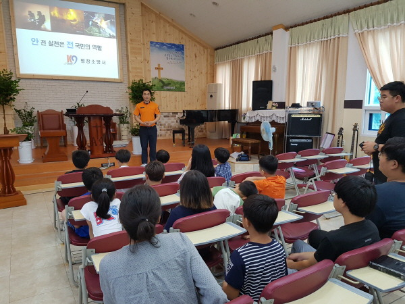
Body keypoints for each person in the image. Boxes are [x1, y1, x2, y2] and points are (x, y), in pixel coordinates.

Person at [99, 185, 228, 304]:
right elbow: (217, 296)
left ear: (121, 220)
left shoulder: (107, 265)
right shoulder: (180, 241)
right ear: (159, 217)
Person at [287, 176, 380, 272]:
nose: (333, 196)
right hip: (348, 275)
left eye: (335, 194)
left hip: (324, 277)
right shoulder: (372, 228)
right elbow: (321, 255)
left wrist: (291, 264)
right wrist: (303, 255)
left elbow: (309, 264)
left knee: (294, 250)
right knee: (299, 244)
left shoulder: (333, 239)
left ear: (343, 202)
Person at [222, 194, 287, 301]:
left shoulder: (240, 256)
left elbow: (231, 294)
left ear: (246, 222)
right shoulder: (279, 247)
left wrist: (225, 284)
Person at [360, 81, 405, 184]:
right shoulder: (393, 116)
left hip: (392, 177)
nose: (380, 100)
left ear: (397, 98)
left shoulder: (401, 119)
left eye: (384, 97)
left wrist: (376, 147)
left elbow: (401, 147)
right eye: (380, 97)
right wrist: (373, 148)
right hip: (383, 173)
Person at [366, 137, 405, 238]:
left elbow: (362, 232)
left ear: (394, 164)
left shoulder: (377, 193)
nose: (379, 158)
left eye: (381, 155)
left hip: (385, 250)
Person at [61, 167, 104, 238]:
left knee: (64, 213)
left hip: (85, 233)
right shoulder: (111, 196)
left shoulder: (77, 201)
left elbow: (76, 225)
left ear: (84, 182)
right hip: (106, 231)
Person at [133, 89, 161, 166]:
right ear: (142, 96)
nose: (146, 96)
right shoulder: (138, 105)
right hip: (143, 129)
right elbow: (136, 116)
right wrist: (142, 122)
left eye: (148, 94)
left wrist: (152, 122)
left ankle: (153, 163)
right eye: (144, 94)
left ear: (150, 96)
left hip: (152, 128)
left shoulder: (155, 105)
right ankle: (144, 163)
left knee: (153, 146)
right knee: (144, 146)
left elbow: (158, 116)